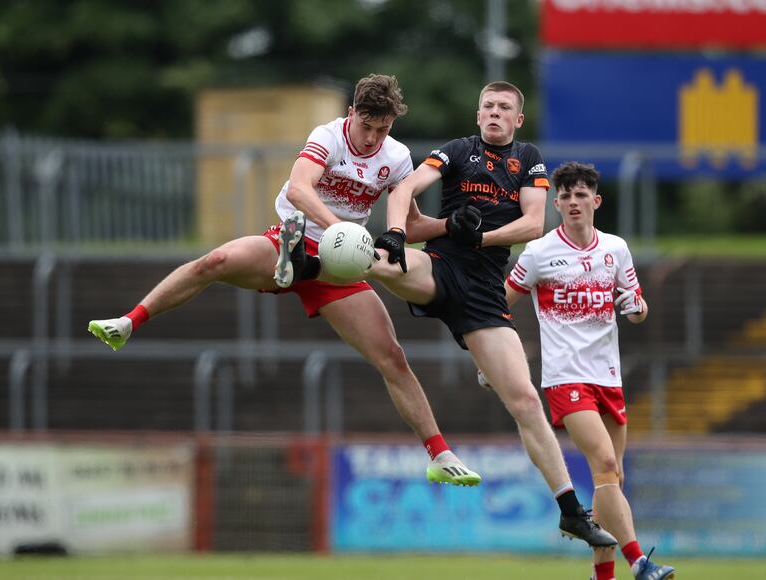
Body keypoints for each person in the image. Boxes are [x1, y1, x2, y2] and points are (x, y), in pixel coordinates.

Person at [87, 74, 481, 487]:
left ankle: (440, 454)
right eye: (366, 126)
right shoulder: (328, 137)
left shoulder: (396, 158)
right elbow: (297, 190)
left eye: (382, 129)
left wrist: (450, 226)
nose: (371, 138)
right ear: (351, 115)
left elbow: (411, 225)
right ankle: (129, 321)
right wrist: (337, 230)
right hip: (291, 240)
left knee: (392, 357)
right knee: (215, 260)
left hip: (338, 267)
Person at [322, 80, 616, 547]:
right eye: (488, 107)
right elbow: (406, 188)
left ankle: (570, 511)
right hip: (440, 266)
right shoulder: (458, 150)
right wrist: (397, 232)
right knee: (371, 258)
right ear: (478, 114)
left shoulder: (529, 157)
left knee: (523, 400)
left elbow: (533, 223)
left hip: (484, 290)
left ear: (517, 120)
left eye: (504, 108)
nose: (495, 113)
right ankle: (302, 262)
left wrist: (478, 238)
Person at [496, 161, 675, 579]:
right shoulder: (539, 252)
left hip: (608, 377)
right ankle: (639, 562)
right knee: (606, 464)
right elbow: (500, 303)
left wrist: (637, 309)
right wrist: (498, 352)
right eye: (565, 196)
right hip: (566, 377)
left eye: (581, 195)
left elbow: (636, 308)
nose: (573, 202)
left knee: (610, 478)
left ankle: (603, 574)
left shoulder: (616, 248)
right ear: (556, 203)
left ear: (596, 201)